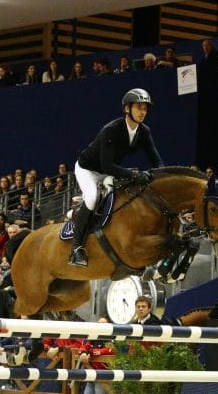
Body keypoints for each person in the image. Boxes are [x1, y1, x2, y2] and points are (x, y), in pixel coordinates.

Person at [69, 88, 163, 267]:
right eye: (139, 107)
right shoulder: (111, 130)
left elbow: (155, 159)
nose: (143, 112)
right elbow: (106, 165)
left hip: (109, 171)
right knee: (92, 197)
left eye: (145, 108)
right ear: (127, 109)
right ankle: (76, 248)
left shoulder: (144, 131)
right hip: (88, 169)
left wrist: (160, 177)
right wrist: (134, 174)